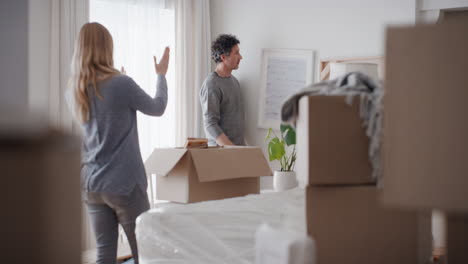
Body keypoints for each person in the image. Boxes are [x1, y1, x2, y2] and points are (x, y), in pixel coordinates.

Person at [67, 22, 169, 264]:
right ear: (106, 48)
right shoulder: (121, 83)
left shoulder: (75, 89)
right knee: (145, 252)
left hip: (92, 184)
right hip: (123, 184)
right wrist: (161, 75)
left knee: (104, 252)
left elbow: (100, 123)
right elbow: (158, 107)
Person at [199, 34, 245, 146]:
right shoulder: (211, 84)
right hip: (221, 153)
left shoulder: (234, 81)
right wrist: (231, 148)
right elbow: (210, 124)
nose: (240, 57)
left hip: (237, 151)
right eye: (236, 53)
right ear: (224, 57)